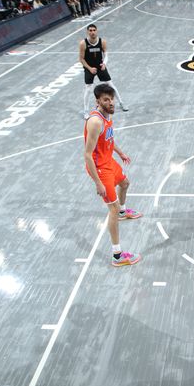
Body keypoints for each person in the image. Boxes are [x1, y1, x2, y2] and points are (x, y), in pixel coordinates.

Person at [83, 83, 143, 267]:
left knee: (125, 184)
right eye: (106, 100)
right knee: (113, 209)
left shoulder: (107, 116)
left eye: (111, 99)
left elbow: (108, 138)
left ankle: (124, 212)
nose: (110, 103)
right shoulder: (95, 122)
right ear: (98, 101)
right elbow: (87, 155)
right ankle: (117, 256)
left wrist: (120, 152)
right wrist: (98, 183)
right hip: (100, 169)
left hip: (108, 161)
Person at [79, 23, 127, 119]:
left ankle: (121, 103)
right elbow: (81, 59)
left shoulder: (102, 42)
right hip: (89, 67)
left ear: (96, 31)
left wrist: (104, 63)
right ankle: (86, 111)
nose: (92, 32)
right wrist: (89, 68)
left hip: (100, 66)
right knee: (88, 89)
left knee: (111, 85)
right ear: (87, 32)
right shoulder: (83, 43)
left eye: (94, 30)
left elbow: (106, 54)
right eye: (90, 30)